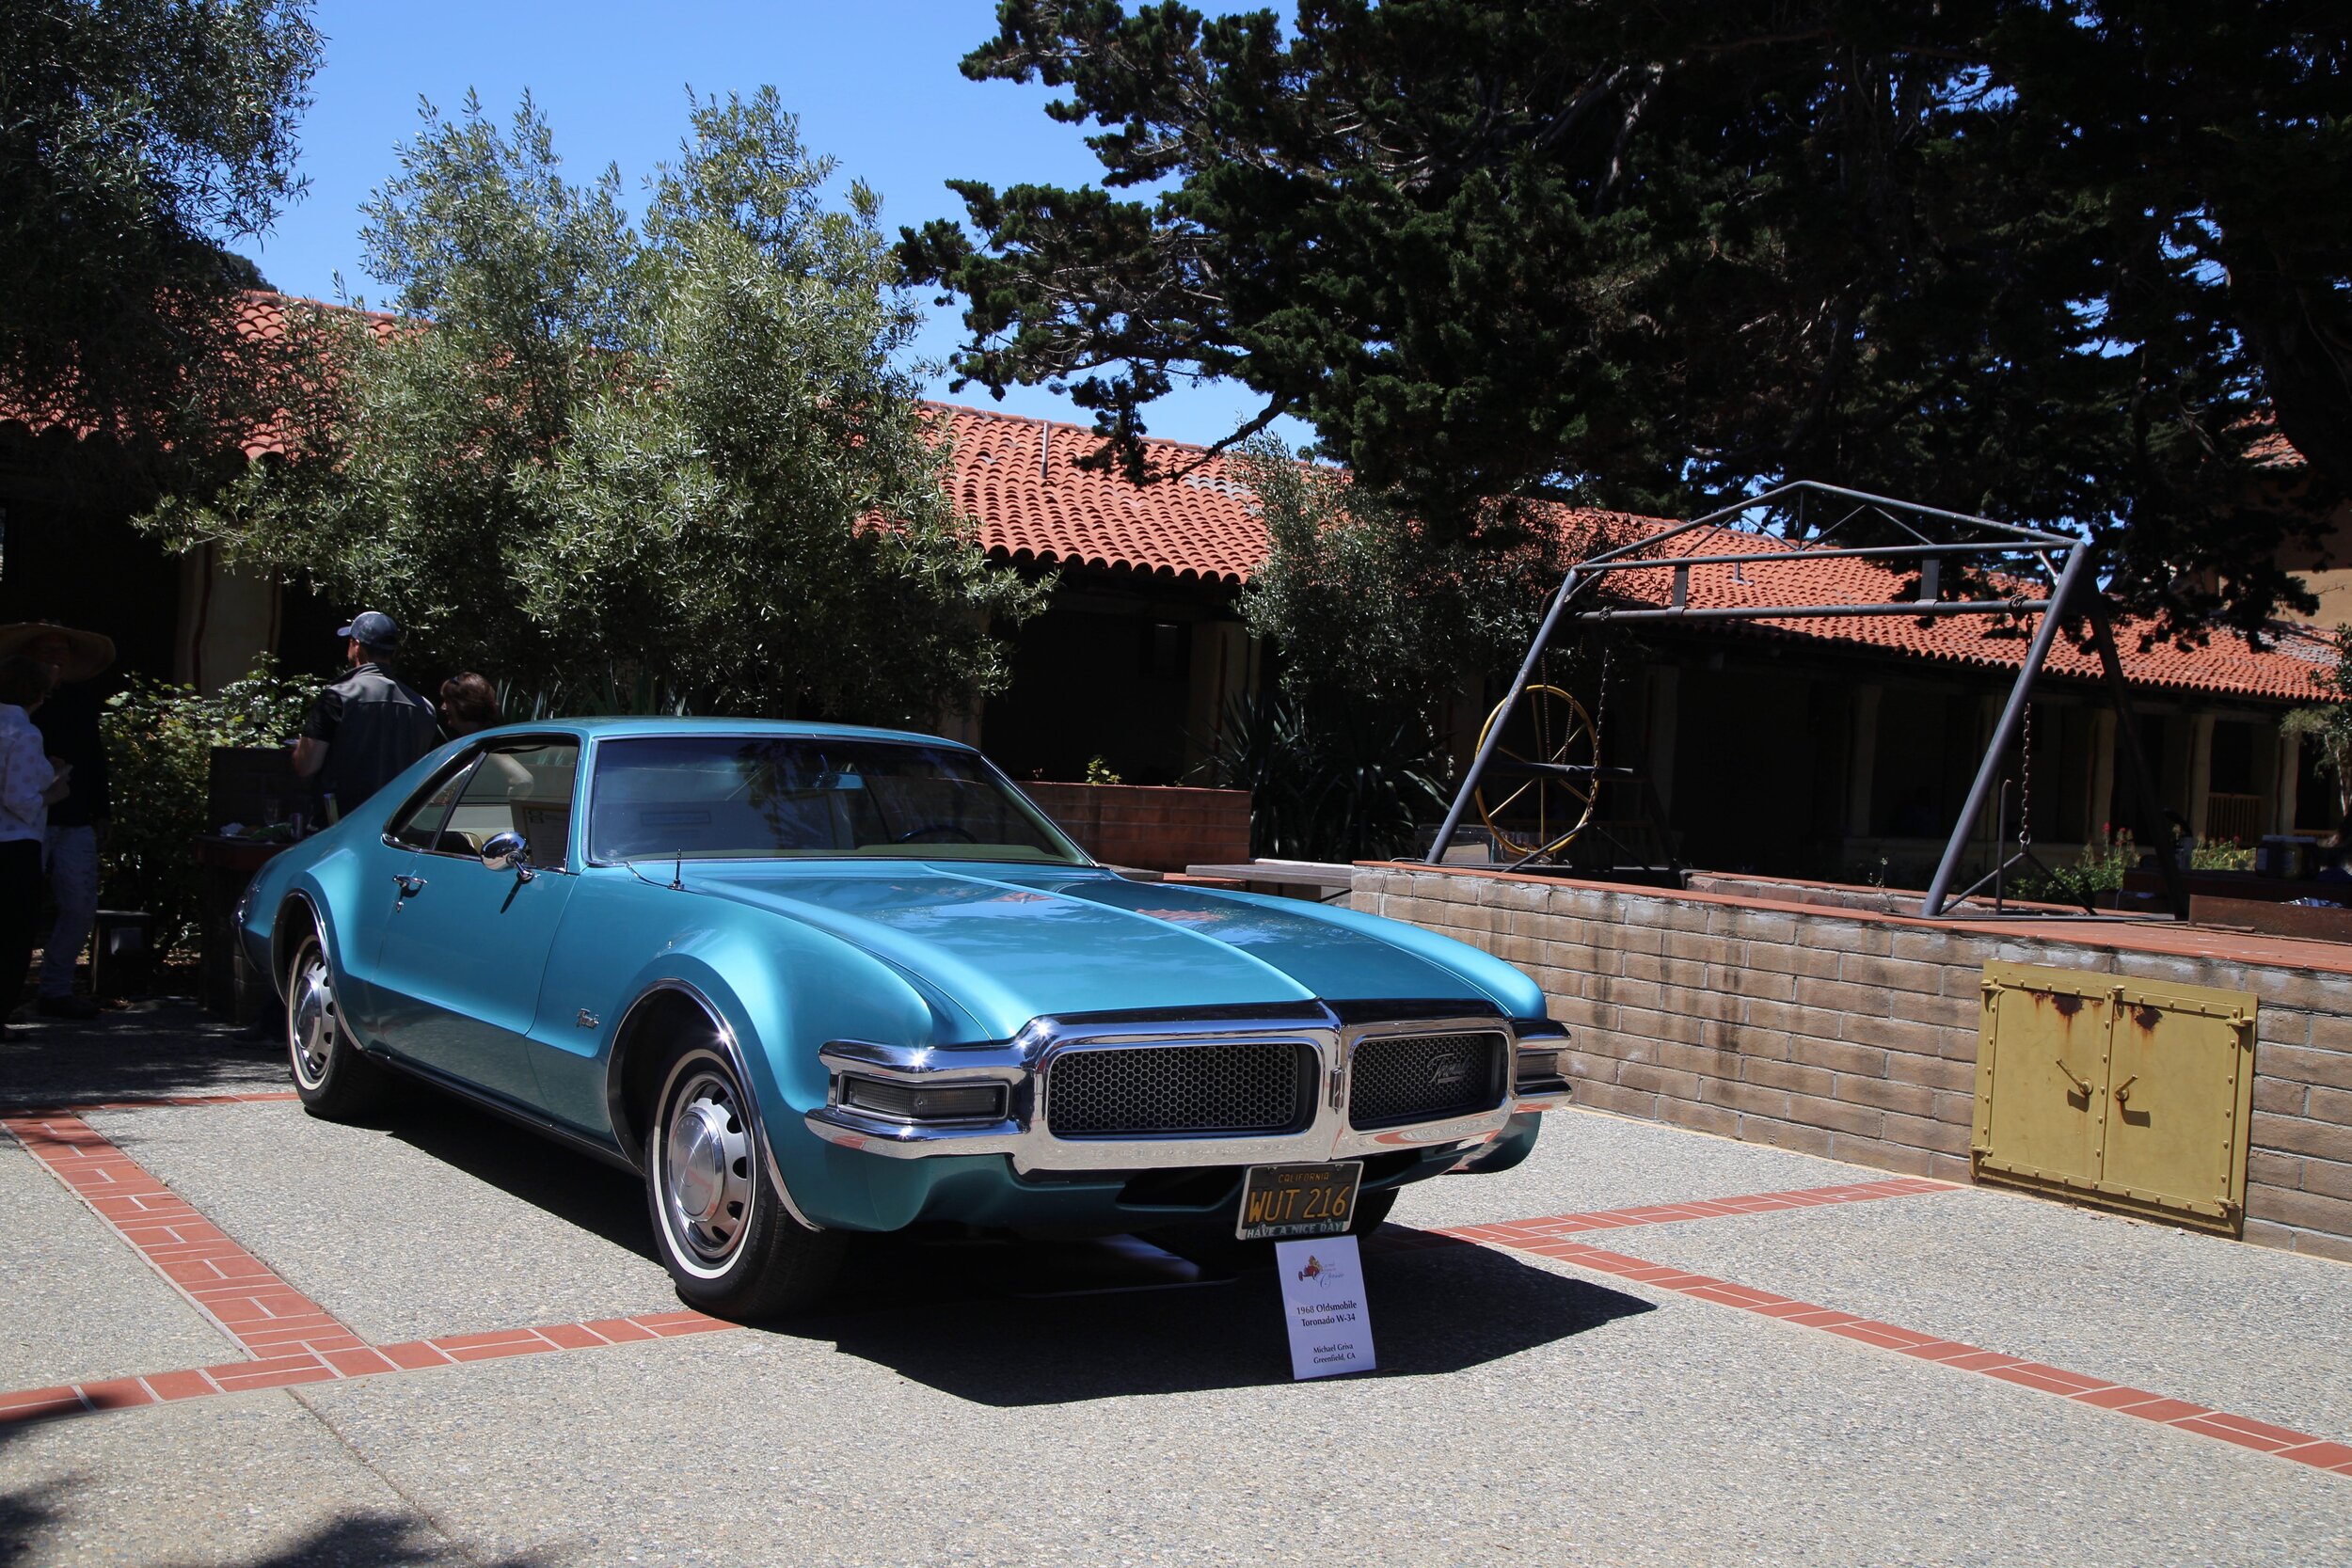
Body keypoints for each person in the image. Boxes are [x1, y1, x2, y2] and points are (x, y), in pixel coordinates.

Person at [0, 622, 116, 1018]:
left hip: (71, 813)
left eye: (61, 650)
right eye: (46, 650)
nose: (55, 658)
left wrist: (102, 810)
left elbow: (93, 756)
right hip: (23, 820)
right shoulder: (15, 712)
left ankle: (55, 988)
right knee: (15, 912)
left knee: (79, 904)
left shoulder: (79, 700)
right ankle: (9, 995)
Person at [292, 611, 440, 821]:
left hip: (343, 825)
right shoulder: (425, 708)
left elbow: (306, 766)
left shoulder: (337, 697)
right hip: (397, 825)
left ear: (356, 645)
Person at [1, 656, 74, 1038]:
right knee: (13, 934)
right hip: (13, 845)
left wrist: (47, 769)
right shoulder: (24, 732)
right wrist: (53, 792)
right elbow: (19, 798)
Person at [438, 672, 504, 737]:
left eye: (447, 701)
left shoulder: (491, 741)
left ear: (464, 704)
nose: (442, 707)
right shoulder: (491, 737)